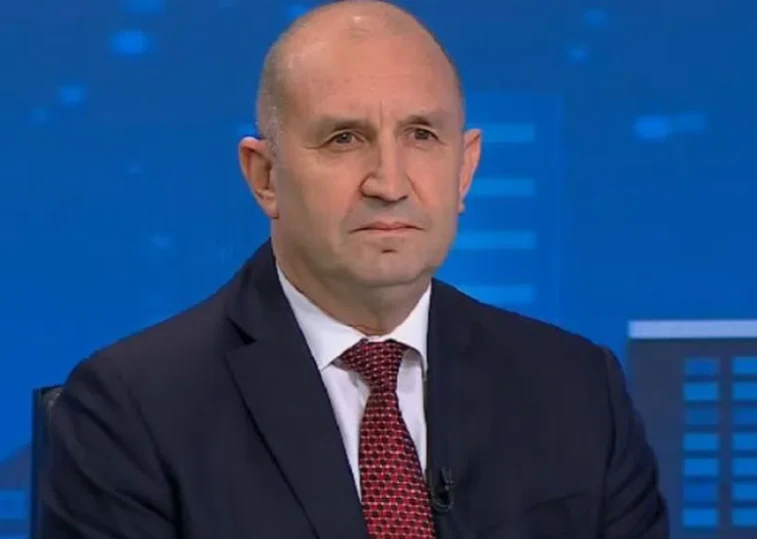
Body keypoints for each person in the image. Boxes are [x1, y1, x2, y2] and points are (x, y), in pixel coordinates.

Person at [39, 1, 669, 537]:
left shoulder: (578, 390)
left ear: (466, 168)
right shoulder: (132, 412)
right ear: (265, 176)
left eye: (421, 135)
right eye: (344, 138)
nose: (389, 183)